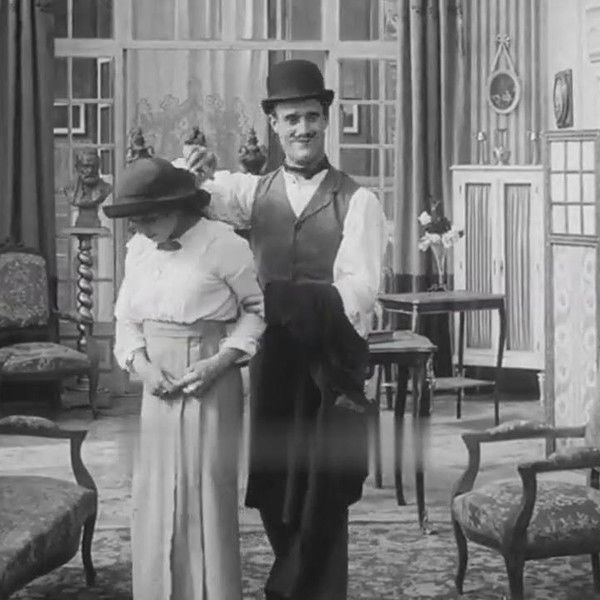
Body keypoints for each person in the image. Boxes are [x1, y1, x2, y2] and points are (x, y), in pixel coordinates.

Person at [184, 59, 387, 600]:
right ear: (274, 125)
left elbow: (358, 294)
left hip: (329, 368)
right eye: (292, 118)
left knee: (324, 493)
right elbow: (189, 194)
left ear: (326, 120)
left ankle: (300, 593)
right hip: (272, 363)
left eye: (312, 117)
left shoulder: (359, 201)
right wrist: (194, 169)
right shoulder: (252, 194)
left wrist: (274, 299)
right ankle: (294, 584)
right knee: (275, 490)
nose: (303, 129)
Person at [103, 157, 265, 600]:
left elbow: (257, 311)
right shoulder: (139, 249)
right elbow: (125, 320)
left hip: (210, 380)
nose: (142, 229)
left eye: (150, 219)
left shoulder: (223, 244)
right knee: (156, 493)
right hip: (156, 386)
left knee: (205, 492)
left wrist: (220, 362)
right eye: (135, 222)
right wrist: (142, 367)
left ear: (179, 206)